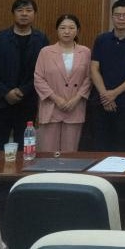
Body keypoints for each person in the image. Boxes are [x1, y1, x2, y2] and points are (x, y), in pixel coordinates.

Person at [0, 0, 49, 150]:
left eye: (28, 10)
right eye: (20, 10)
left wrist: (23, 90)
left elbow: (43, 71)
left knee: (25, 147)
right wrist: (5, 92)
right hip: (0, 103)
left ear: (34, 14)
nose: (24, 14)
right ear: (13, 13)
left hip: (27, 102)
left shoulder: (41, 39)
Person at [89, 0, 125, 151]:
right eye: (118, 15)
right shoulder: (101, 40)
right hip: (101, 102)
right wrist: (105, 95)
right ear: (112, 17)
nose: (121, 18)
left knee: (124, 147)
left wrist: (114, 93)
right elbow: (94, 69)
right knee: (100, 145)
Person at [33, 14, 91, 152]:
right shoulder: (46, 52)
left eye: (71, 28)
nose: (67, 31)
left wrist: (76, 99)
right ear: (57, 30)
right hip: (51, 106)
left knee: (70, 151)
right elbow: (38, 78)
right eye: (63, 28)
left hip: (74, 106)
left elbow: (89, 78)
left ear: (78, 30)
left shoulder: (85, 52)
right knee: (48, 151)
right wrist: (56, 99)